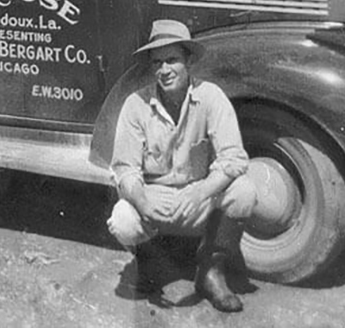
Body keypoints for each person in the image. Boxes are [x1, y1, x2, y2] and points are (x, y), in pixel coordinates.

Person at [107, 19, 257, 313]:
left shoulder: (211, 97)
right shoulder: (135, 105)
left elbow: (234, 158)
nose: (164, 70)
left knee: (244, 192)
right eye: (157, 63)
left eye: (172, 60)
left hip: (199, 199)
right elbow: (124, 169)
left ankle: (211, 272)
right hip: (156, 199)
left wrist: (200, 192)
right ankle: (149, 261)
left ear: (188, 61)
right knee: (123, 219)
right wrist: (143, 201)